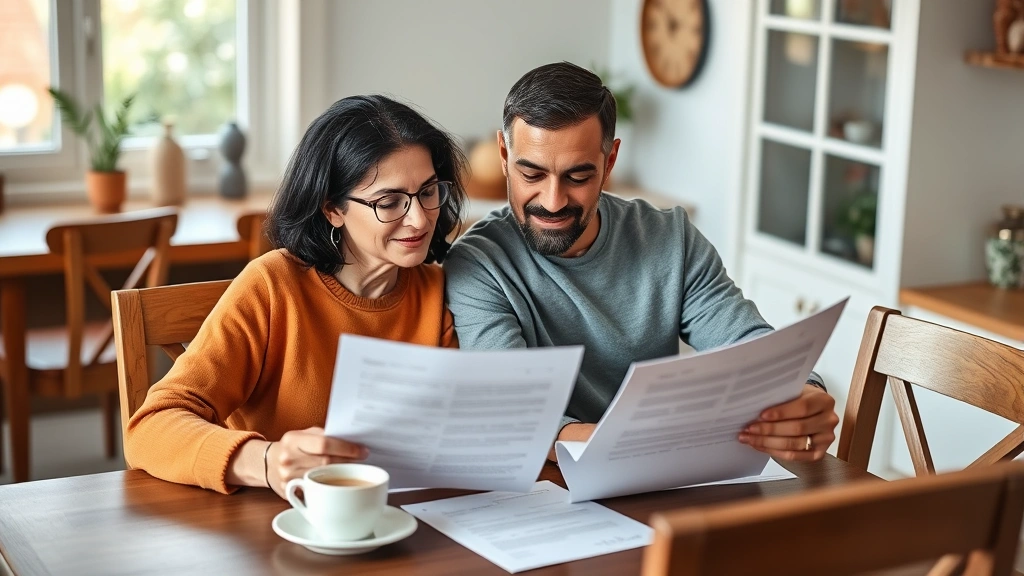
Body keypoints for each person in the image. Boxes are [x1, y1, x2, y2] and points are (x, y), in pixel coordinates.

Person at [444, 62, 838, 463]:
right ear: (504, 154)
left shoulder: (670, 239)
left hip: (657, 481)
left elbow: (749, 346)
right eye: (531, 174)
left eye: (578, 177)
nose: (553, 200)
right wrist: (635, 441)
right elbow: (511, 413)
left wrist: (802, 392)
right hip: (545, 486)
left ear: (609, 160)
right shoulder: (479, 262)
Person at [125, 95, 467, 497]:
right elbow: (150, 427)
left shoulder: (437, 291)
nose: (420, 218)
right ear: (332, 209)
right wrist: (266, 461)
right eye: (388, 202)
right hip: (269, 528)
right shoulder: (272, 286)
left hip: (396, 518)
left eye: (428, 192)